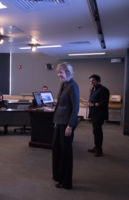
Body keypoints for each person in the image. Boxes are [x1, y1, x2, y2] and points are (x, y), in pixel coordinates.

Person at [52, 62, 79, 190]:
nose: (59, 75)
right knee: (57, 151)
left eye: (61, 72)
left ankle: (67, 182)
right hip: (59, 123)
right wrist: (56, 121)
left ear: (68, 72)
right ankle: (59, 176)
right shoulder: (64, 84)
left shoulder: (73, 86)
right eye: (58, 72)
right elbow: (59, 105)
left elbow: (75, 108)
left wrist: (70, 125)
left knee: (66, 154)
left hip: (66, 125)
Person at [88, 74, 110, 157]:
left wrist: (93, 104)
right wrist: (91, 103)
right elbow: (93, 100)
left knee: (98, 132)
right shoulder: (93, 89)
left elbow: (103, 103)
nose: (91, 82)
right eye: (90, 81)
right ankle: (96, 147)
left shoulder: (103, 90)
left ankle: (99, 150)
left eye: (92, 81)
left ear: (98, 81)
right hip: (94, 114)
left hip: (99, 114)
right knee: (95, 131)